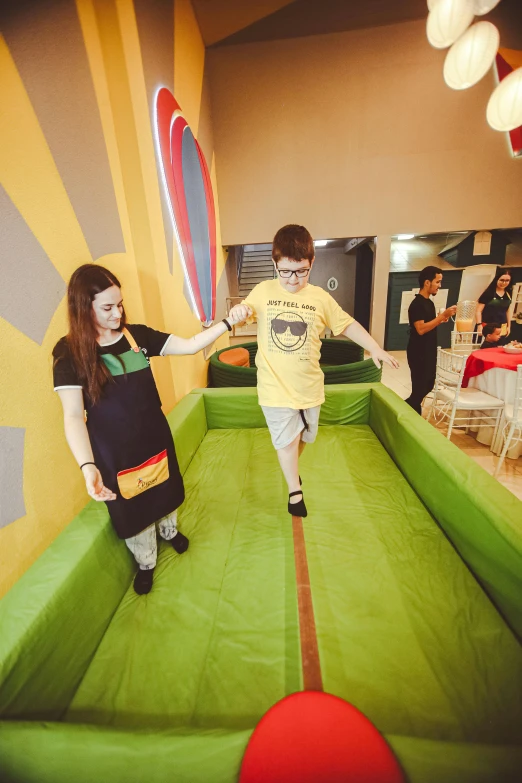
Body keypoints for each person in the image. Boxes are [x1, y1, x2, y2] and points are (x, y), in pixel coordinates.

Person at [53, 264, 243, 595]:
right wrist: (88, 468)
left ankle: (169, 532)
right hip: (115, 452)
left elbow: (190, 345)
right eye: (107, 308)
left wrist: (228, 322)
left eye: (120, 304)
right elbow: (72, 416)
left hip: (154, 436)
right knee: (133, 507)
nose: (118, 314)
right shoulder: (69, 354)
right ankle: (146, 561)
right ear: (84, 308)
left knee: (164, 491)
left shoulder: (135, 336)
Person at [228, 224, 399, 519]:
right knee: (285, 441)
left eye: (301, 271)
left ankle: (292, 470)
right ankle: (295, 491)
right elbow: (242, 312)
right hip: (274, 388)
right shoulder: (263, 291)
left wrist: (375, 348)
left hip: (309, 388)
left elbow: (348, 324)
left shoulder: (320, 297)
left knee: (303, 439)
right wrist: (238, 313)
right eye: (286, 271)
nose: (293, 280)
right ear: (275, 263)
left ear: (312, 263)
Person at [405, 266, 456, 415]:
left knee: (428, 385)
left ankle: (409, 412)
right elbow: (420, 329)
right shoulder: (417, 304)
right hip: (418, 351)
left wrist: (440, 319)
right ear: (427, 282)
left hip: (428, 349)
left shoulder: (429, 303)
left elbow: (429, 325)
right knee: (420, 387)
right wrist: (441, 317)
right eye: (438, 282)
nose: (439, 286)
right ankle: (406, 411)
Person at [475, 269, 513, 342]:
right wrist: (479, 325)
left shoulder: (509, 293)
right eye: (502, 280)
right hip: (487, 326)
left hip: (502, 327)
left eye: (507, 280)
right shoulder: (488, 293)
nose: (504, 283)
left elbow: (508, 311)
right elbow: (478, 311)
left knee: (498, 348)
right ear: (497, 279)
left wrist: (509, 326)